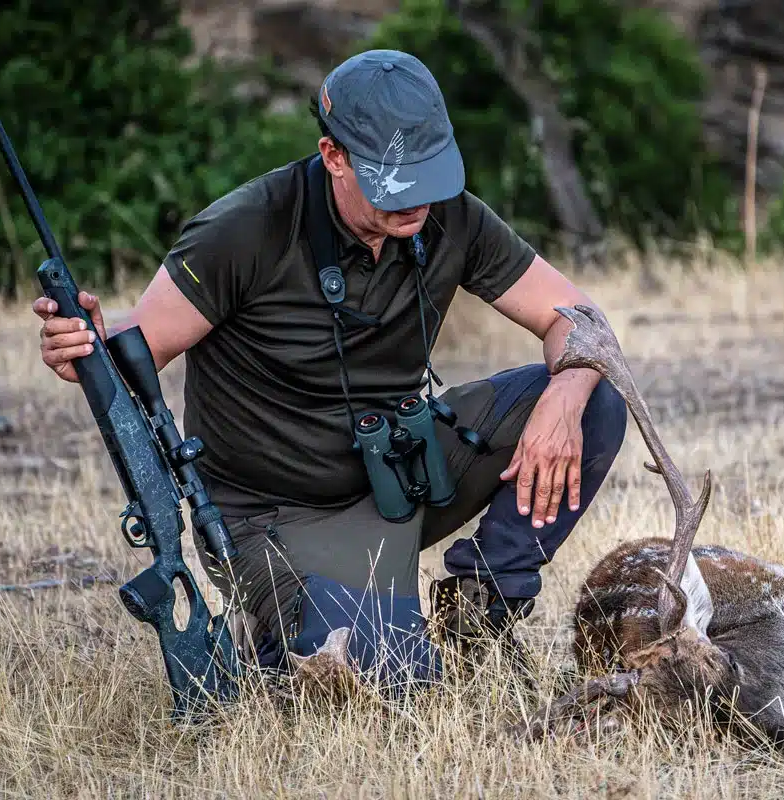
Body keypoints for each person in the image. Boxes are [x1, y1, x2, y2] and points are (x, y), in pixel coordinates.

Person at [32, 49, 627, 691]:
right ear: (333, 155)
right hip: (273, 514)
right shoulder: (244, 228)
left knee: (596, 397)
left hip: (400, 476)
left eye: (430, 175)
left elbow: (579, 318)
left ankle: (482, 611)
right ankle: (289, 633)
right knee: (391, 689)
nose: (417, 202)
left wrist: (563, 398)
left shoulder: (450, 214)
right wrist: (81, 344)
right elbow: (135, 347)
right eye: (396, 182)